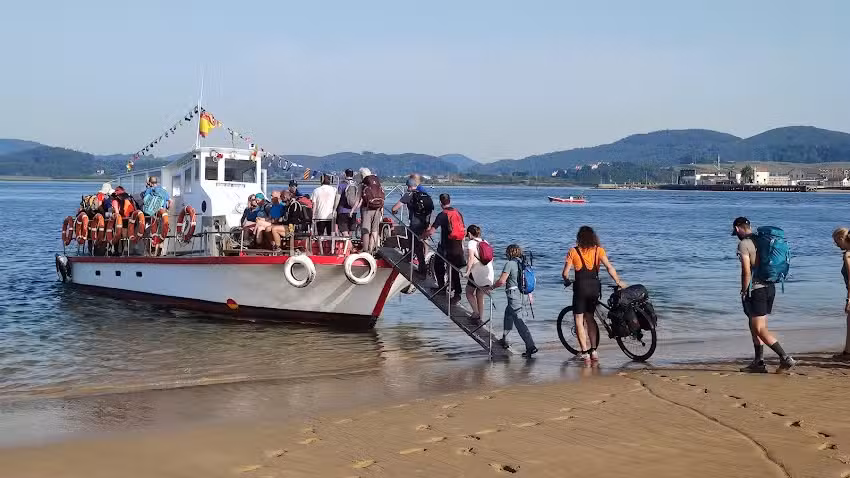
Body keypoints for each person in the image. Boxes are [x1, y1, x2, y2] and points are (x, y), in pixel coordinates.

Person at [732, 217, 796, 372]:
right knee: (756, 325)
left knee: (759, 329)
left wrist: (743, 289)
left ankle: (785, 357)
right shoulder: (761, 240)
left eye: (735, 231)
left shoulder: (744, 244)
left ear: (737, 228)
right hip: (770, 288)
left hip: (756, 289)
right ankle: (758, 362)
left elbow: (746, 271)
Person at [561, 226, 625, 364]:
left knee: (579, 319)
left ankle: (584, 352)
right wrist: (618, 281)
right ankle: (594, 351)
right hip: (595, 288)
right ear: (593, 237)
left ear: (579, 237)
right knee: (590, 317)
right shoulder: (598, 250)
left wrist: (566, 281)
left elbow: (565, 273)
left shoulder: (573, 251)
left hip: (580, 288)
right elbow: (609, 267)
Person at [485, 244, 537, 357]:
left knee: (519, 322)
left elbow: (502, 281)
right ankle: (505, 340)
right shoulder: (522, 263)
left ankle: (530, 346)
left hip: (513, 296)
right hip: (523, 295)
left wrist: (491, 288)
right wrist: (530, 295)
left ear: (509, 253)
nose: (505, 254)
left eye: (506, 252)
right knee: (508, 315)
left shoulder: (510, 264)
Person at [424, 193, 465, 304]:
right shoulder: (458, 213)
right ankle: (456, 293)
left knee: (438, 265)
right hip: (458, 246)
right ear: (449, 201)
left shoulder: (442, 215)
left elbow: (432, 231)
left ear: (440, 203)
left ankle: (444, 289)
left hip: (446, 247)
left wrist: (423, 236)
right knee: (454, 271)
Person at [392, 178, 431, 276]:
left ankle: (422, 270)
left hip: (415, 225)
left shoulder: (408, 195)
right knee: (416, 244)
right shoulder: (425, 195)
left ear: (408, 186)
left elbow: (395, 208)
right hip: (424, 224)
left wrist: (394, 211)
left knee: (417, 246)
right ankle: (410, 257)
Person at [465, 225, 494, 320]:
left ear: (469, 233)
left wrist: (467, 272)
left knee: (469, 292)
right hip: (488, 272)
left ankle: (476, 313)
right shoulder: (485, 242)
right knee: (480, 294)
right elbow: (491, 259)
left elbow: (470, 258)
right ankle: (481, 318)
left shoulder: (471, 243)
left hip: (476, 273)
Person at [356, 167, 385, 253]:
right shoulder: (377, 183)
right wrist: (381, 209)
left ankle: (365, 250)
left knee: (366, 230)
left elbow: (358, 200)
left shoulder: (363, 184)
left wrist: (352, 210)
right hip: (378, 209)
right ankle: (372, 249)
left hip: (367, 209)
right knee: (374, 230)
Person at [832, 228, 850, 360]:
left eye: (836, 241)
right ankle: (847, 352)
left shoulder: (848, 255)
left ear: (841, 239)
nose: (836, 244)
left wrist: (849, 300)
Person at [336, 169, 358, 237]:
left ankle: (348, 245)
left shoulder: (341, 185)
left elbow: (338, 198)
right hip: (353, 210)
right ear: (353, 175)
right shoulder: (356, 185)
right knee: (351, 230)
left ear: (345, 175)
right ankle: (349, 243)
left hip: (342, 210)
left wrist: (334, 208)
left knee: (344, 230)